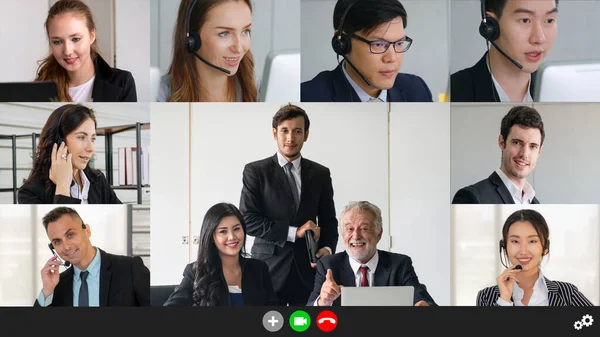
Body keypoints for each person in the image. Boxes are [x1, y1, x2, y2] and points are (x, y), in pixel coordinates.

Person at [239, 104, 339, 305]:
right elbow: (248, 221)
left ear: (306, 135)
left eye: (297, 131)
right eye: (284, 130)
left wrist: (327, 249)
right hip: (267, 268)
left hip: (308, 269)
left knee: (303, 325)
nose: (290, 138)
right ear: (274, 133)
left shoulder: (321, 173)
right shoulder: (255, 171)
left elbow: (329, 220)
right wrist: (294, 232)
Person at [307, 201, 436, 306]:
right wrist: (322, 302)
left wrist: (424, 307)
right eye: (349, 229)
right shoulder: (328, 265)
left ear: (378, 234)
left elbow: (424, 299)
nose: (356, 236)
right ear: (342, 234)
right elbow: (307, 318)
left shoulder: (400, 265)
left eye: (364, 228)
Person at [301, 0, 431, 102]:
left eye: (399, 43)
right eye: (379, 44)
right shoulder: (308, 96)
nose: (392, 58)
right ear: (341, 43)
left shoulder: (417, 89)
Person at [164, 203, 277, 306]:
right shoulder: (195, 271)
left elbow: (272, 312)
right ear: (212, 237)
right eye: (223, 231)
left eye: (236, 229)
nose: (232, 237)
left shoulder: (259, 268)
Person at [35, 207, 149, 307]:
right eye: (57, 241)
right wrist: (47, 291)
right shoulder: (57, 285)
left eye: (70, 235)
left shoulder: (130, 268)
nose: (66, 247)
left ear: (87, 231)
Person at [476, 209, 593, 306]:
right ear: (504, 247)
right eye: (515, 241)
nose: (523, 250)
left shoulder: (568, 293)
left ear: (545, 247)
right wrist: (504, 300)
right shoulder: (486, 297)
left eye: (532, 241)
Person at [451, 0, 558, 102]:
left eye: (549, 20)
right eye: (525, 20)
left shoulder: (559, 91)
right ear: (490, 25)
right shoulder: (454, 93)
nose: (539, 38)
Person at [35, 0, 137, 102]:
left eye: (75, 39)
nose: (67, 51)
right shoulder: (40, 86)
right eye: (57, 42)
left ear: (92, 36)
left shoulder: (122, 82)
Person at [158, 0, 260, 102]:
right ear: (192, 40)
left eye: (245, 31)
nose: (238, 48)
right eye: (224, 33)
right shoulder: (159, 95)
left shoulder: (259, 90)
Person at [18, 104, 121, 204]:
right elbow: (62, 221)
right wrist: (62, 186)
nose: (91, 148)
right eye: (81, 137)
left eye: (93, 139)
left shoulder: (98, 180)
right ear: (59, 141)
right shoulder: (30, 194)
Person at [452, 105, 543, 204]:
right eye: (517, 143)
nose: (524, 154)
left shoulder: (535, 203)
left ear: (539, 151)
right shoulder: (472, 197)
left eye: (533, 146)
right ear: (502, 142)